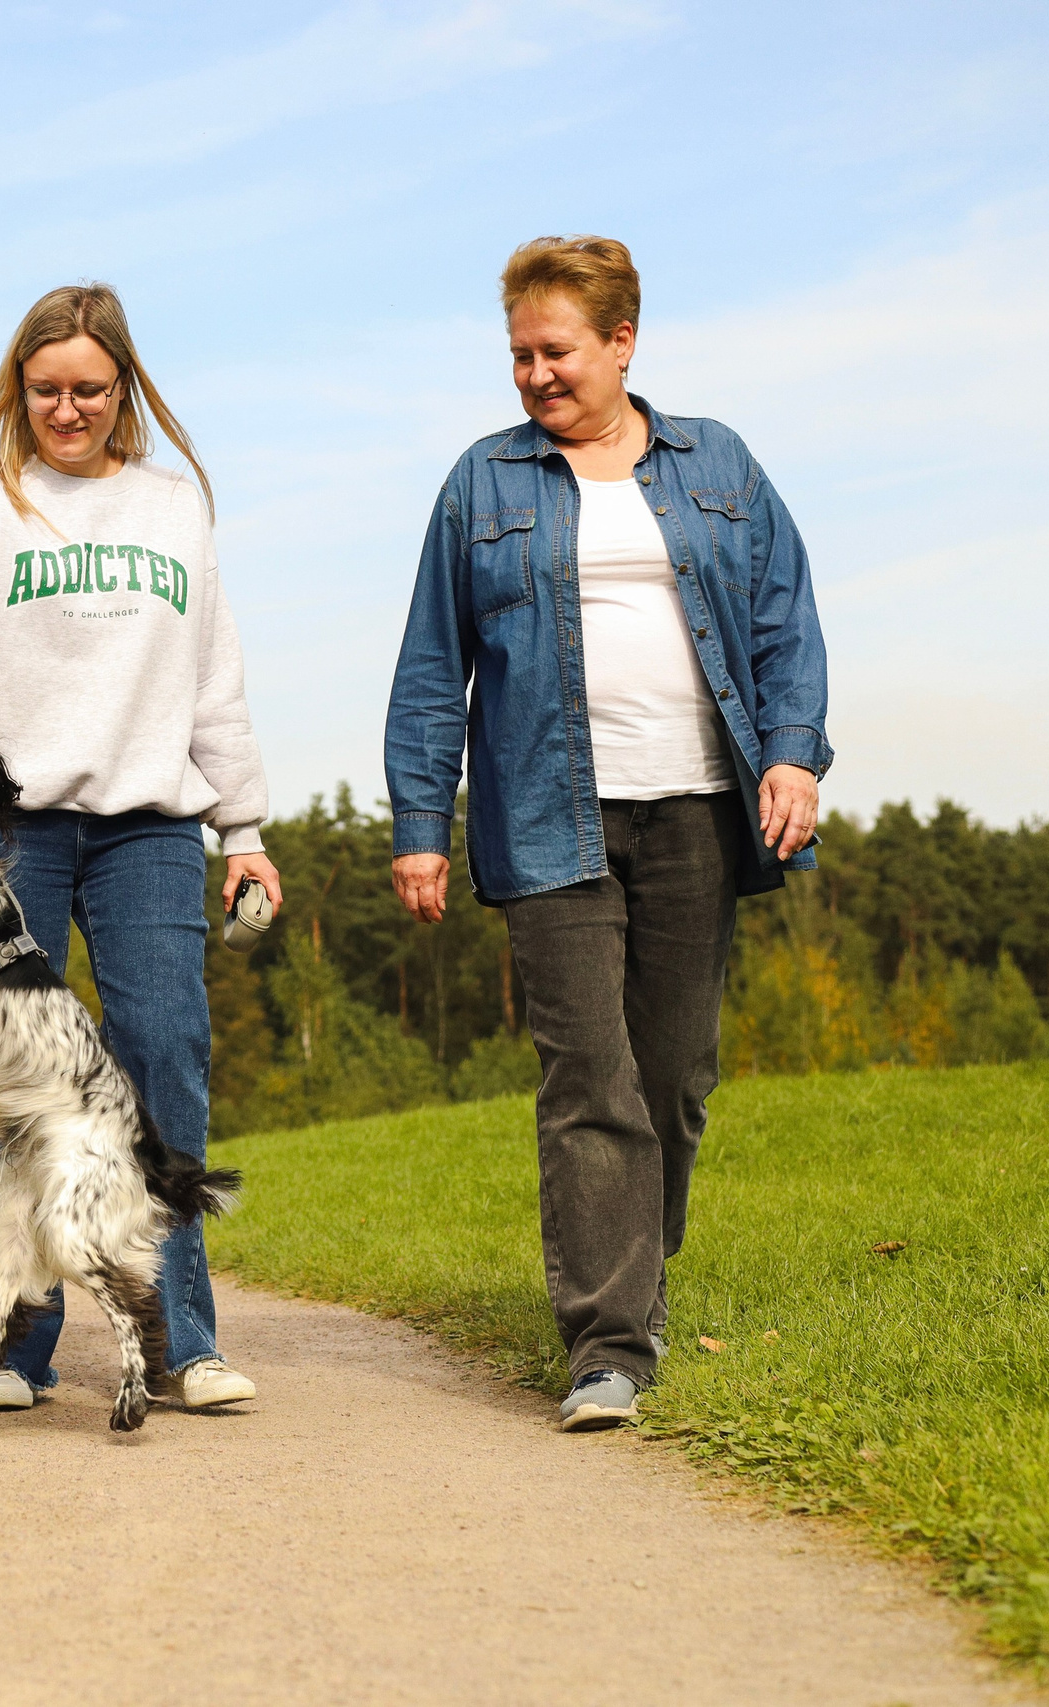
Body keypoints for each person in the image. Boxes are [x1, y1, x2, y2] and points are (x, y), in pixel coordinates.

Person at [382, 236, 829, 1431]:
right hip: (543, 820)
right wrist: (420, 823)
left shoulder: (716, 461)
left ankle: (639, 1274)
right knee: (589, 1079)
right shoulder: (482, 484)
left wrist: (792, 752)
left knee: (673, 1076)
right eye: (519, 354)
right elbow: (434, 666)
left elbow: (786, 621)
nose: (534, 374)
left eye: (556, 351)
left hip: (695, 807)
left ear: (621, 344)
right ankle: (607, 1344)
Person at [0, 282, 282, 1413]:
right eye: (44, 390)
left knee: (161, 1064)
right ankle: (12, 1351)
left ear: (123, 388)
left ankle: (184, 1339)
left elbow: (213, 675)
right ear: (19, 389)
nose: (66, 410)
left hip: (148, 824)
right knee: (12, 1086)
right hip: (10, 835)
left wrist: (241, 828)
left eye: (88, 390)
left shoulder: (169, 506)